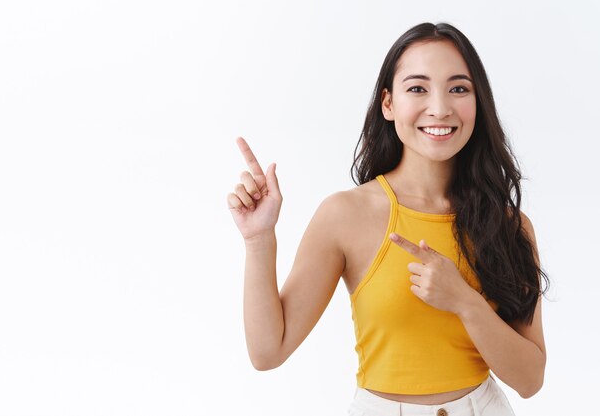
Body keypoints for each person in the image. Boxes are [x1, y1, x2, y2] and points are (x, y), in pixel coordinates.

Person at [226, 21, 549, 416]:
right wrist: (259, 240)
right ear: (388, 103)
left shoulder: (509, 224)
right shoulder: (346, 215)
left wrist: (465, 302)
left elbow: (530, 380)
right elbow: (267, 351)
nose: (440, 107)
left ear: (477, 103)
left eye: (458, 88)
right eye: (417, 88)